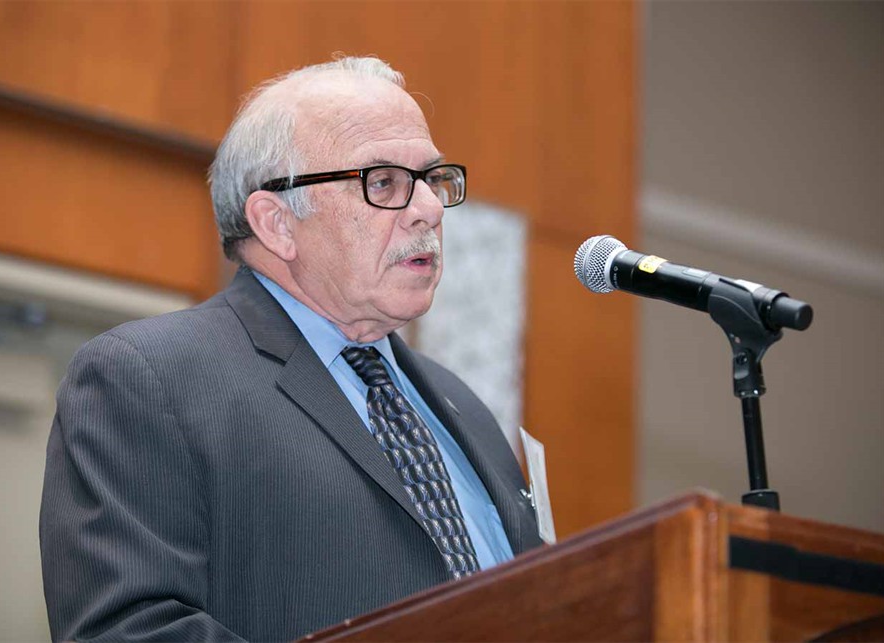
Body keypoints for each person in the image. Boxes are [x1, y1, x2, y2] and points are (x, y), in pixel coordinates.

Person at [39, 56, 541, 642]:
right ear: (276, 223)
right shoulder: (146, 379)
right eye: (383, 183)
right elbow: (127, 631)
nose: (429, 207)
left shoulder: (463, 407)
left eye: (432, 179)